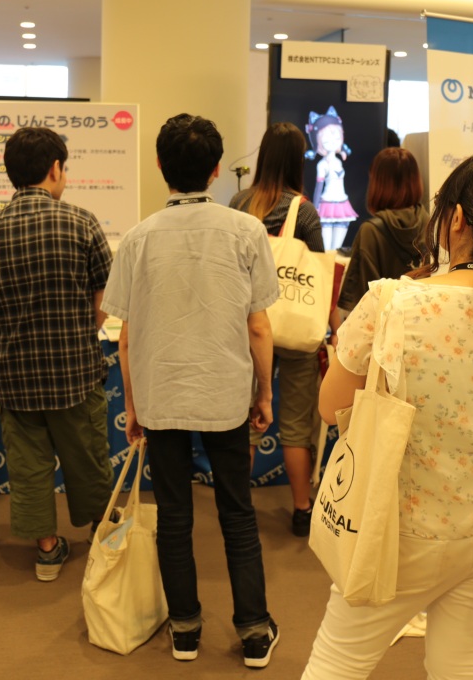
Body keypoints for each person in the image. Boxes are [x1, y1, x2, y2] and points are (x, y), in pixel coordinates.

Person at [303, 151, 473, 680]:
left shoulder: (391, 304)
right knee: (464, 666)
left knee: (337, 664)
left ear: (456, 220)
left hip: (396, 531)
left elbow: (330, 409)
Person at [104, 113, 282, 669]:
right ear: (215, 169)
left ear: (160, 165)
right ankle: (254, 631)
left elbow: (126, 337)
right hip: (225, 393)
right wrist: (264, 394)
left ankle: (185, 630)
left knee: (174, 517)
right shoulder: (247, 232)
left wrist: (133, 405)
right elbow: (258, 327)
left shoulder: (137, 238)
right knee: (238, 513)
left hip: (161, 395)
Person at [0, 126, 114, 582]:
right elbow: (105, 299)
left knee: (28, 466)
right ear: (55, 168)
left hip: (17, 376)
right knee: (88, 457)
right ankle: (103, 535)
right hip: (76, 372)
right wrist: (80, 331)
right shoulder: (82, 222)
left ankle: (46, 550)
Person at [229, 121, 324, 536]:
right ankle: (302, 510)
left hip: (248, 327)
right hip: (298, 329)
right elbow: (318, 275)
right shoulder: (305, 211)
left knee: (248, 421)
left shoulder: (238, 204)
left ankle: (239, 510)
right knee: (297, 427)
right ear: (298, 161)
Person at [333, 147, 427, 334]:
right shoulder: (431, 225)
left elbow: (361, 304)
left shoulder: (371, 231)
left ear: (377, 183)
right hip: (423, 330)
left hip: (382, 336)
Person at [304, 107, 358, 250]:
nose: (333, 141)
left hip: (342, 203)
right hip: (326, 204)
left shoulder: (339, 161)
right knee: (326, 250)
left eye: (336, 137)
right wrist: (315, 207)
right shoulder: (322, 164)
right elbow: (319, 187)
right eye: (326, 140)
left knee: (337, 250)